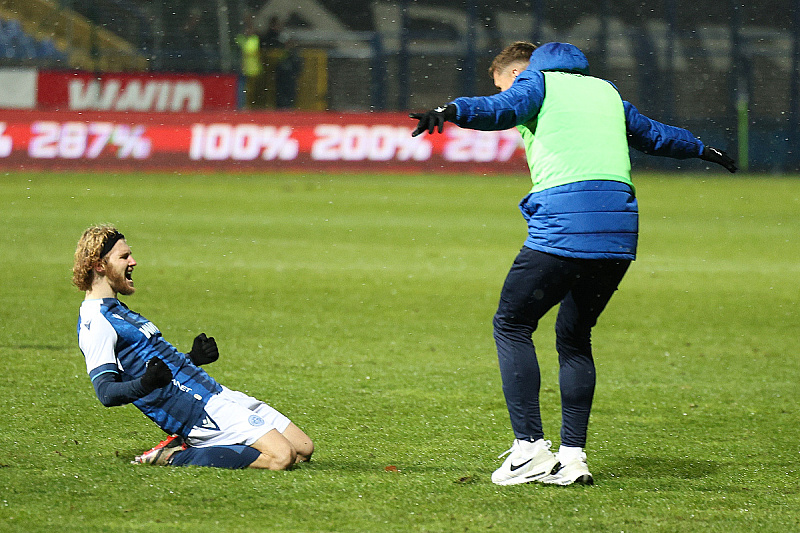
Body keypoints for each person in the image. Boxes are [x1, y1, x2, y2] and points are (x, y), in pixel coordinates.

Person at [410, 41, 737, 486]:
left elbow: (502, 109)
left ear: (523, 71)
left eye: (507, 79)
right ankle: (572, 457)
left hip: (566, 224)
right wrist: (702, 149)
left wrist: (451, 110)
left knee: (512, 324)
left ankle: (528, 450)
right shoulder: (606, 91)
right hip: (620, 232)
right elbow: (654, 134)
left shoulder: (536, 83)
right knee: (574, 336)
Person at [73, 225, 313, 469]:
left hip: (213, 392)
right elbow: (105, 393)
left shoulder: (118, 310)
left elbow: (155, 364)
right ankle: (176, 455)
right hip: (196, 412)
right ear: (99, 265)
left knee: (303, 449)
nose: (133, 261)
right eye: (124, 257)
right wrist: (147, 383)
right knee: (281, 457)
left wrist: (193, 358)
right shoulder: (97, 322)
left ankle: (204, 444)